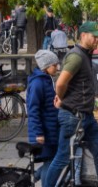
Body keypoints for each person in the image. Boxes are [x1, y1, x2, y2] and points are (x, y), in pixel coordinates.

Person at [44, 22, 98, 187]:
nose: (97, 39)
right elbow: (60, 83)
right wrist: (61, 98)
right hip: (73, 117)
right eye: (94, 36)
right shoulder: (76, 56)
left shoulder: (86, 54)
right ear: (83, 35)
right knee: (62, 158)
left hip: (86, 117)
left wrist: (63, 97)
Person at [26, 50, 59, 183]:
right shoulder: (38, 83)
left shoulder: (47, 80)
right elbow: (33, 110)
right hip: (43, 133)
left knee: (51, 161)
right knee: (49, 162)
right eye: (54, 65)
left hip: (50, 130)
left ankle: (26, 181)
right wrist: (38, 133)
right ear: (46, 66)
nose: (57, 67)